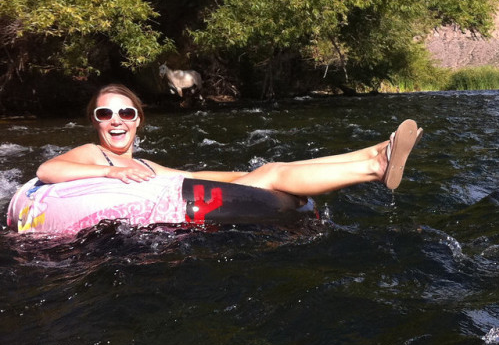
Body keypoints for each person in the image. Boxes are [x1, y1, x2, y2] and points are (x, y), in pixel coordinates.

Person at [8, 84, 422, 234]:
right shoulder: (93, 153)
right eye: (105, 114)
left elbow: (188, 175)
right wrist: (109, 170)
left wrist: (242, 174)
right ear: (95, 122)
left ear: (138, 120)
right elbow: (47, 170)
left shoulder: (148, 164)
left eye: (125, 113)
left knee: (265, 170)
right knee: (274, 173)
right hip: (144, 219)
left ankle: (370, 152)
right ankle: (373, 168)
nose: (116, 121)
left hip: (169, 203)